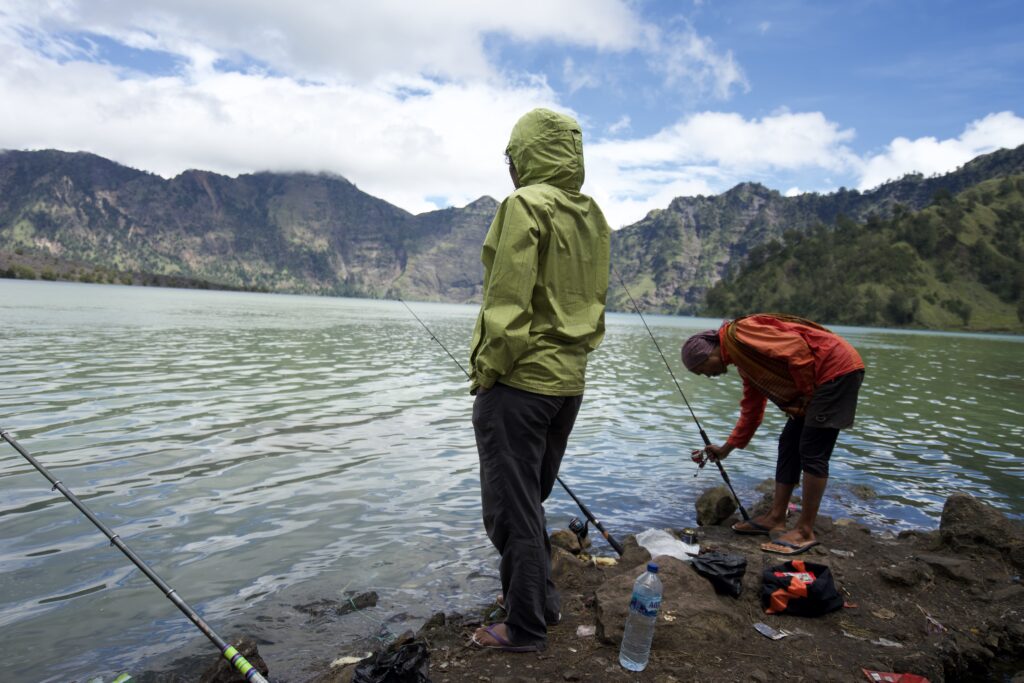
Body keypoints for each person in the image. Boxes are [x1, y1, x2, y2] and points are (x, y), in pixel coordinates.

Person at [468, 108, 610, 652]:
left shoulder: (523, 205)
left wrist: (486, 373)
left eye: (512, 154)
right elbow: (591, 306)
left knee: (511, 509)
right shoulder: (591, 215)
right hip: (567, 387)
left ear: (525, 153)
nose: (510, 165)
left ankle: (523, 627)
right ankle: (543, 604)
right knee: (529, 501)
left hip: (521, 385)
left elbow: (506, 304)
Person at [681, 313, 865, 555]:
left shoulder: (740, 334)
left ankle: (805, 530)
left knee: (812, 449)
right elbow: (752, 412)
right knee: (789, 442)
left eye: (701, 370)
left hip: (834, 371)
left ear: (708, 354)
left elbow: (797, 351)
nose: (706, 375)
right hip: (818, 379)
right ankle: (776, 517)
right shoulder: (746, 363)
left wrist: (806, 395)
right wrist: (726, 449)